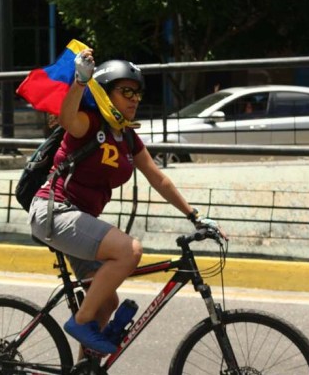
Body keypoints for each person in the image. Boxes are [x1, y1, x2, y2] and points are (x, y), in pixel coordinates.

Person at [28, 48, 223, 354]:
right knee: (129, 251)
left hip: (78, 221)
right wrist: (80, 82)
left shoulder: (127, 136)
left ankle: (85, 368)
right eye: (126, 91)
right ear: (107, 93)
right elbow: (66, 118)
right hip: (55, 212)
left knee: (106, 302)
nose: (134, 99)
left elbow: (158, 178)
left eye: (138, 94)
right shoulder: (89, 123)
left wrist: (194, 215)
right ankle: (79, 321)